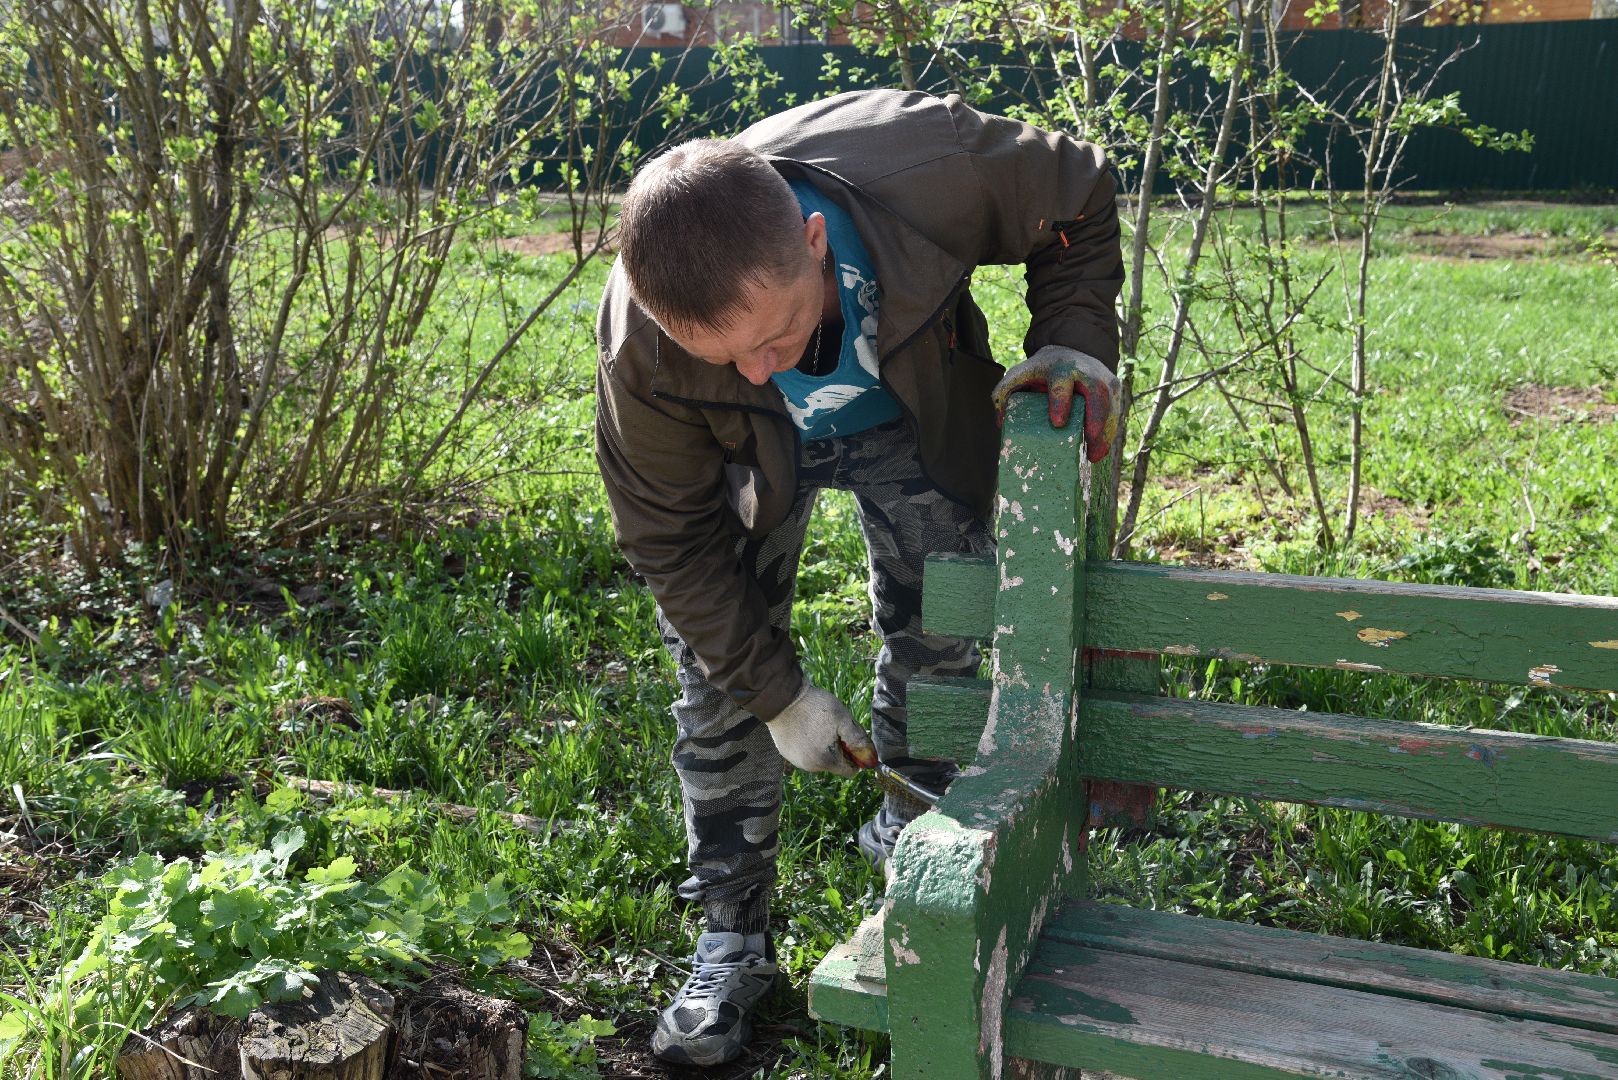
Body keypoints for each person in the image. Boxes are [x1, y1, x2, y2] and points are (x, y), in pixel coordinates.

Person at [594, 88, 1123, 1066]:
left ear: (811, 241)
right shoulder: (645, 342)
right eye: (727, 355)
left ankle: (914, 859)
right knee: (720, 682)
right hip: (738, 456)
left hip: (910, 410)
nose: (762, 369)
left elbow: (1079, 195)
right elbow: (672, 545)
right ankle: (731, 941)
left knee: (940, 635)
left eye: (775, 334)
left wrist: (1076, 339)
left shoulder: (929, 166)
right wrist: (779, 697)